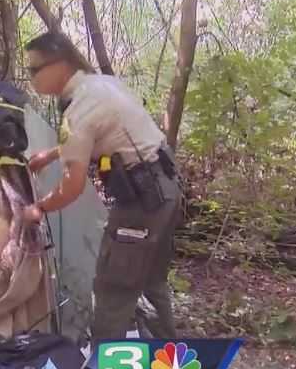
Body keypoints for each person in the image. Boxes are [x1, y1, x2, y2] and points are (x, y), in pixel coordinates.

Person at [20, 30, 183, 342]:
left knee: (113, 290)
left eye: (34, 69)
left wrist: (38, 208)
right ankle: (168, 357)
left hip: (141, 204)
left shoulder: (78, 111)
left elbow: (72, 187)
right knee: (151, 280)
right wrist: (53, 153)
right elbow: (102, 131)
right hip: (166, 190)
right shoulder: (102, 85)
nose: (32, 78)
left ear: (60, 65)